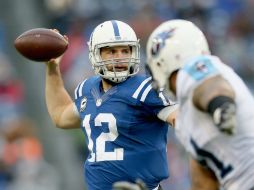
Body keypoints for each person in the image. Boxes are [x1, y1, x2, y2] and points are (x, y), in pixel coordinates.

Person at [44, 20, 178, 190]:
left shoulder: (145, 88)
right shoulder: (87, 88)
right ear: (96, 54)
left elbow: (180, 117)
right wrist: (52, 69)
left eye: (125, 50)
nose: (120, 57)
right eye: (112, 51)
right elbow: (61, 116)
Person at [146, 19, 254, 190]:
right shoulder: (185, 121)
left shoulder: (192, 70)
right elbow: (203, 186)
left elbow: (212, 86)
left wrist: (220, 104)